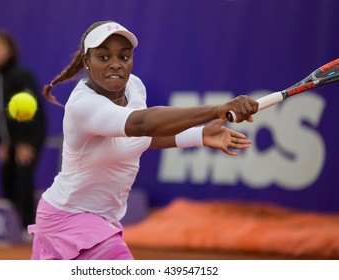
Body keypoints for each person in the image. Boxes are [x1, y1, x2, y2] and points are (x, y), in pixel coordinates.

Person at [28, 20, 258, 260]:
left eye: (124, 57)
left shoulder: (135, 87)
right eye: (103, 57)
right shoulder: (82, 105)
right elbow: (143, 123)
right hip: (67, 218)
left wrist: (199, 135)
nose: (116, 64)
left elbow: (142, 136)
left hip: (101, 220)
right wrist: (217, 109)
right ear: (87, 61)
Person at [0, 29, 46, 233]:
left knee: (24, 177)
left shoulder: (21, 75)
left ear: (9, 50)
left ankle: (27, 227)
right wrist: (1, 141)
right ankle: (7, 227)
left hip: (28, 139)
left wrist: (24, 143)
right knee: (6, 178)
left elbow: (32, 111)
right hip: (8, 141)